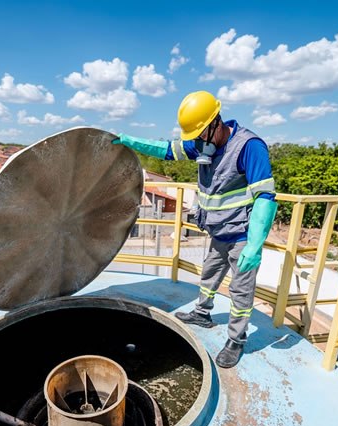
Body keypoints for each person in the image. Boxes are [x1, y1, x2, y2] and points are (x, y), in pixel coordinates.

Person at [112, 90, 277, 368]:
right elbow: (166, 150)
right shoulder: (203, 143)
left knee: (240, 291)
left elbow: (265, 197)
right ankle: (202, 313)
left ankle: (236, 340)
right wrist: (131, 141)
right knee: (209, 275)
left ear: (216, 122)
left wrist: (255, 245)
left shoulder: (249, 146)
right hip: (218, 230)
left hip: (241, 234)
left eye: (201, 134)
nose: (198, 141)